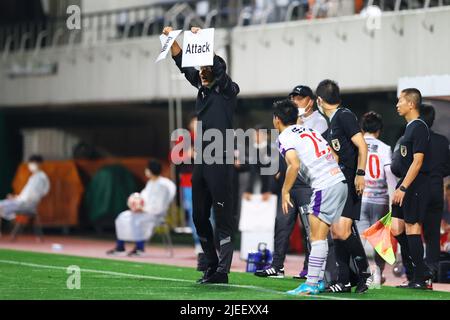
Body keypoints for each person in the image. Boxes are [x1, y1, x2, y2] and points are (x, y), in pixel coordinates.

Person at [163, 26, 240, 284]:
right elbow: (181, 61)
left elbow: (216, 67)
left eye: (206, 69)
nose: (202, 73)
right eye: (201, 70)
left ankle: (222, 271)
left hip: (220, 158)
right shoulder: (202, 86)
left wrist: (202, 43)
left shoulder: (228, 90)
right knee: (198, 216)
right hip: (203, 160)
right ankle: (210, 262)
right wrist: (173, 38)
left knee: (223, 217)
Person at [272, 99, 347, 295]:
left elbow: (294, 165)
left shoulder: (284, 137)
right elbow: (333, 153)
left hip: (325, 185)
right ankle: (322, 280)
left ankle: (312, 284)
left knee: (316, 237)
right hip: (339, 180)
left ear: (276, 120)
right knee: (328, 236)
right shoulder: (309, 130)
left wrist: (285, 191)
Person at [255, 85, 329, 279]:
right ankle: (277, 265)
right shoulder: (288, 127)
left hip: (307, 182)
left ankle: (310, 269)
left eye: (300, 97)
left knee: (310, 227)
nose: (296, 101)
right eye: (293, 98)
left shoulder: (318, 122)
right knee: (282, 223)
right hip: (292, 180)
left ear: (310, 101)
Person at [316, 79, 371, 293]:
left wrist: (360, 173)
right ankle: (344, 280)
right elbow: (337, 154)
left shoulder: (344, 115)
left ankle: (364, 273)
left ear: (320, 100)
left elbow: (362, 145)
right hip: (338, 181)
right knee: (336, 232)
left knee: (342, 229)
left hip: (350, 179)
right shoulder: (333, 122)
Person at [390, 88, 432, 289]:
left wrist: (404, 187)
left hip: (414, 186)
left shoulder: (419, 127)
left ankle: (420, 278)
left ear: (411, 104)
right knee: (396, 228)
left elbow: (418, 162)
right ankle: (420, 269)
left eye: (400, 101)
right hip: (404, 183)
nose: (397, 105)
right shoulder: (409, 128)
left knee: (412, 229)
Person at [357, 111, 397, 288]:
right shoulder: (384, 147)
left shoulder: (357, 145)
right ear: (379, 130)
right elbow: (389, 172)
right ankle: (378, 274)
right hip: (380, 199)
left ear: (362, 128)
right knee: (380, 240)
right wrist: (393, 194)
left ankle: (361, 273)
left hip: (361, 197)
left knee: (358, 238)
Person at [107, 160, 176, 256]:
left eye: (147, 169)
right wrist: (135, 205)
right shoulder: (150, 183)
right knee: (122, 217)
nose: (146, 171)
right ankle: (120, 247)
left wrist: (143, 209)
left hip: (155, 214)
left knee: (137, 221)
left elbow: (160, 205)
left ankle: (139, 248)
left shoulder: (164, 185)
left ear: (150, 170)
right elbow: (142, 197)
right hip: (143, 211)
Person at [419, 104, 450, 280]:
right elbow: (447, 166)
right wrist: (437, 174)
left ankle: (416, 270)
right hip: (436, 188)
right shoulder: (442, 141)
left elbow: (399, 166)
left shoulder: (412, 137)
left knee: (413, 231)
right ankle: (431, 270)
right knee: (432, 234)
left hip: (417, 189)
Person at [0, 154, 50, 235]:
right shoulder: (33, 177)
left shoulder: (41, 178)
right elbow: (26, 194)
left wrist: (18, 199)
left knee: (1, 206)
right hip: (21, 202)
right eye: (31, 162)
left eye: (34, 163)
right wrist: (16, 198)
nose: (31, 165)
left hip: (27, 205)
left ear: (40, 164)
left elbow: (34, 196)